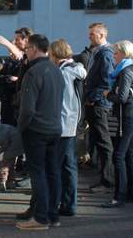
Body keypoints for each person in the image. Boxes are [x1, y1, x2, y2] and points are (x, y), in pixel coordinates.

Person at [15, 34, 65, 231]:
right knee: (52, 172)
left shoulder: (33, 73)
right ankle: (52, 215)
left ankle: (41, 218)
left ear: (34, 49)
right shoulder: (56, 70)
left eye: (27, 49)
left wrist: (21, 127)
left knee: (38, 174)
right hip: (54, 128)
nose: (25, 52)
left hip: (37, 129)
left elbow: (27, 109)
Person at [101, 40, 133, 208]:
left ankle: (119, 196)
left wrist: (108, 94)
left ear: (124, 54)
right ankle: (132, 194)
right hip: (132, 115)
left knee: (119, 156)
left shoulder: (125, 71)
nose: (114, 56)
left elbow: (122, 97)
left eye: (116, 53)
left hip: (127, 116)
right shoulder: (132, 68)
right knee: (129, 155)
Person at [49, 39, 86, 217]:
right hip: (72, 122)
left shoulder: (63, 73)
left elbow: (60, 101)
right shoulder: (76, 69)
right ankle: (69, 203)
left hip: (62, 123)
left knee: (57, 166)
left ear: (56, 55)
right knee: (69, 166)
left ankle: (56, 204)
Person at [83, 23, 115, 192]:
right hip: (95, 103)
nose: (89, 37)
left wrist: (92, 99)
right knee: (99, 141)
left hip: (99, 105)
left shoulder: (106, 54)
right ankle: (103, 177)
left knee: (104, 142)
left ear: (101, 35)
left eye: (92, 34)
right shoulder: (98, 53)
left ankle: (107, 180)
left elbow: (106, 82)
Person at [0, 27, 33, 126]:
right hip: (8, 103)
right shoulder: (9, 62)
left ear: (26, 40)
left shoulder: (31, 57)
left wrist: (7, 43)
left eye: (17, 39)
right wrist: (7, 78)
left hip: (21, 105)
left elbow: (21, 57)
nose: (15, 42)